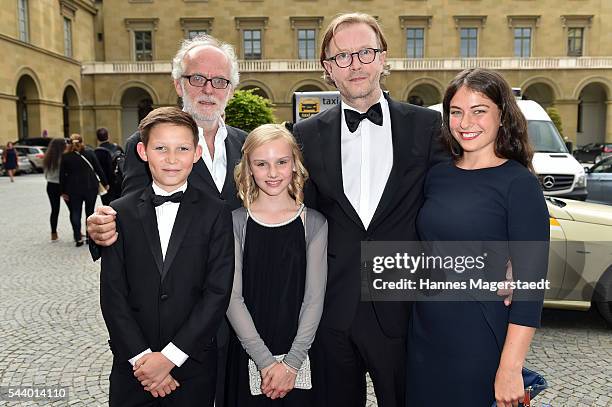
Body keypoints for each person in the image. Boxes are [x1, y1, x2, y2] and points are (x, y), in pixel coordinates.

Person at [291, 13, 447, 407]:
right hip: (331, 312)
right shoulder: (304, 135)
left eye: (365, 52)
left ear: (383, 57)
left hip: (404, 310)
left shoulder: (428, 126)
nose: (355, 64)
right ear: (328, 68)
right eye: (342, 56)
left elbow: (458, 200)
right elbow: (297, 219)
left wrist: (506, 253)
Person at [86, 34, 246, 406]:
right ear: (178, 84)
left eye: (219, 81)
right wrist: (98, 230)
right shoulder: (140, 145)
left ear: (231, 89)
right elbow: (130, 215)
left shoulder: (248, 145)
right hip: (166, 323)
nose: (208, 89)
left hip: (236, 315)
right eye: (197, 78)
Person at [407, 68, 549, 406]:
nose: (465, 122)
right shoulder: (437, 175)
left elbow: (530, 287)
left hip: (480, 338)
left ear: (502, 116)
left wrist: (510, 368)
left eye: (479, 110)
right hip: (424, 336)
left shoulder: (520, 184)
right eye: (456, 112)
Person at [100, 107, 234, 407]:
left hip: (193, 364)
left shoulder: (216, 213)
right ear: (143, 151)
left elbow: (217, 292)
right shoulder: (119, 213)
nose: (172, 159)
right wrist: (143, 359)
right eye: (161, 148)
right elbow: (113, 294)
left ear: (197, 153)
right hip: (133, 367)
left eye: (182, 149)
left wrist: (171, 357)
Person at [225, 124, 327, 406]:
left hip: (302, 351)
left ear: (295, 164)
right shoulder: (235, 223)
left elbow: (314, 299)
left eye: (281, 162)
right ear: (248, 168)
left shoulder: (314, 223)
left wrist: (292, 363)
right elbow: (232, 298)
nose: (272, 173)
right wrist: (265, 362)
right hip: (248, 348)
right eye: (262, 163)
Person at [60, 134, 108, 247]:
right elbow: (98, 169)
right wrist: (105, 183)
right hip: (90, 187)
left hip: (73, 189)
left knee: (75, 212)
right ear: (82, 141)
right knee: (89, 212)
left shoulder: (66, 156)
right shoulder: (90, 153)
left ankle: (78, 238)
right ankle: (89, 237)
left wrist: (62, 191)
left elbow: (62, 176)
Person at [43, 138, 68, 241]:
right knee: (73, 209)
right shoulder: (64, 157)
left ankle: (54, 233)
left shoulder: (48, 158)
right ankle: (77, 231)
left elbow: (45, 174)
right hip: (63, 186)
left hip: (51, 185)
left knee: (54, 210)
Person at [94, 127, 124, 205]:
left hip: (105, 183)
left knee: (107, 205)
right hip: (118, 181)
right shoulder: (117, 148)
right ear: (108, 136)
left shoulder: (97, 152)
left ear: (97, 138)